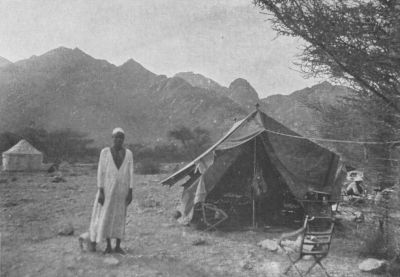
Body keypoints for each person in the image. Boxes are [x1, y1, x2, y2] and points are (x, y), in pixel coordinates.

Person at [89, 127, 134, 254]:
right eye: (116, 137)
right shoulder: (105, 152)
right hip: (108, 189)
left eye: (121, 137)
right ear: (112, 138)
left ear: (123, 139)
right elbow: (100, 172)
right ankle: (108, 245)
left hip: (122, 190)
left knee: (120, 216)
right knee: (107, 215)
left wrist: (131, 191)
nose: (119, 139)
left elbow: (131, 172)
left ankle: (118, 246)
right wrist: (101, 190)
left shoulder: (129, 154)